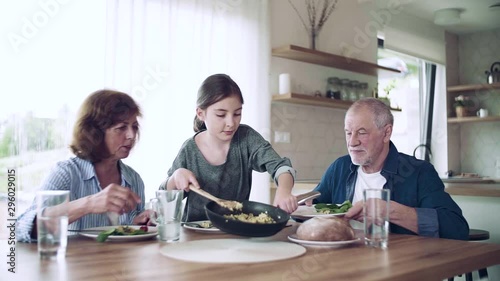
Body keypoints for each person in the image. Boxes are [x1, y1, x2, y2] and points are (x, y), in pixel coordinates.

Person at [312, 97, 469, 240]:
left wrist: (388, 211)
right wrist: (298, 203)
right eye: (348, 133)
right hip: (346, 261)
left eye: (361, 133)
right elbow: (312, 210)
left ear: (386, 133)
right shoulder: (340, 168)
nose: (352, 142)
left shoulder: (419, 172)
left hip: (400, 264)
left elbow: (456, 229)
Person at [16, 89, 151, 242]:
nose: (131, 135)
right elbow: (20, 229)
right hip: (73, 265)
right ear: (95, 132)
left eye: (134, 126)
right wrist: (88, 204)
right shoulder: (66, 173)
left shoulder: (134, 179)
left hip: (118, 265)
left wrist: (138, 225)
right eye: (121, 127)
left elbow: (126, 238)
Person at [161, 73, 297, 222]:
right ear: (201, 113)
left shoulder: (246, 139)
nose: (231, 123)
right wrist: (175, 178)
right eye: (221, 115)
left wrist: (284, 190)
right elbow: (164, 196)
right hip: (195, 235)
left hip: (236, 231)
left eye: (237, 113)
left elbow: (281, 167)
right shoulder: (189, 150)